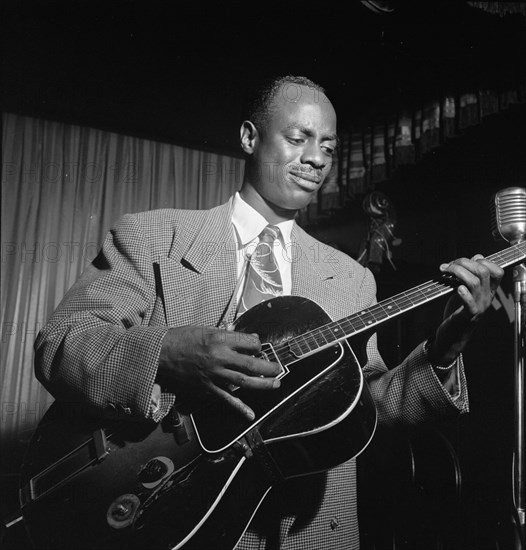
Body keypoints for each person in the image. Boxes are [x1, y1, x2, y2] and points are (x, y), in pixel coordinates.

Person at [34, 75, 504, 550]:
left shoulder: (353, 278)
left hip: (311, 532)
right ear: (248, 137)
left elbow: (368, 407)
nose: (317, 158)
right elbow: (62, 342)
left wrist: (448, 345)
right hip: (174, 518)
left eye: (329, 147)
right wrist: (167, 353)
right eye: (298, 138)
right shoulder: (154, 236)